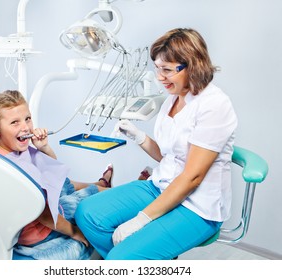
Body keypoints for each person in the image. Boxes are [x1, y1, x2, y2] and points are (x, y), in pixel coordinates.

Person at [74, 28, 238, 260]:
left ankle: (126, 259)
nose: (159, 77)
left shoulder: (214, 105)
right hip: (160, 186)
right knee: (87, 213)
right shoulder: (173, 99)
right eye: (157, 68)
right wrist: (137, 136)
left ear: (193, 66)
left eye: (167, 70)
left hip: (197, 205)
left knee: (121, 259)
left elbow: (192, 176)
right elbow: (168, 156)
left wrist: (142, 219)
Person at [0, 90, 114, 260]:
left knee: (77, 187)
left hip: (45, 214)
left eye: (27, 119)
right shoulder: (15, 170)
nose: (25, 127)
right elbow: (45, 215)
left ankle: (103, 184)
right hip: (43, 230)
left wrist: (43, 147)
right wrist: (74, 231)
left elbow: (53, 174)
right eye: (15, 122)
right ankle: (111, 187)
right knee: (92, 208)